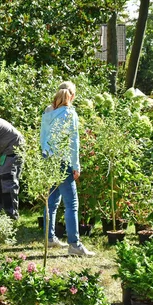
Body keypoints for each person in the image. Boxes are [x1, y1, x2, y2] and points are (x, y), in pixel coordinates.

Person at [40, 81, 95, 257]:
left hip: (49, 160)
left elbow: (42, 139)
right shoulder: (70, 113)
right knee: (71, 205)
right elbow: (74, 143)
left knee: (52, 201)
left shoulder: (47, 112)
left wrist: (46, 158)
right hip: (63, 162)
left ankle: (49, 238)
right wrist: (75, 166)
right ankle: (75, 245)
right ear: (72, 95)